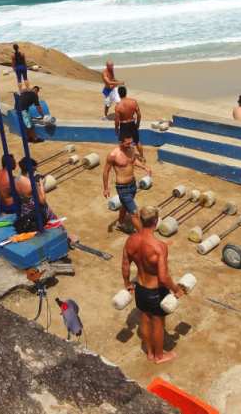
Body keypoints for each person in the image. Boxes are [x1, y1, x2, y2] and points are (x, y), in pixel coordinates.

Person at [121, 205, 183, 364]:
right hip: (155, 291)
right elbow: (163, 277)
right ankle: (159, 356)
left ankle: (149, 352)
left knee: (145, 318)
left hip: (140, 288)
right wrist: (176, 289)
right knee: (157, 322)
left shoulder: (131, 240)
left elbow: (125, 265)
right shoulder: (159, 247)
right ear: (156, 221)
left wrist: (127, 283)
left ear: (141, 220)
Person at [103, 127, 152, 232]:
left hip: (133, 185)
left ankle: (120, 223)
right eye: (127, 143)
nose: (130, 145)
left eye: (131, 143)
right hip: (123, 188)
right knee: (134, 213)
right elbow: (106, 171)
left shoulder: (131, 149)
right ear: (120, 142)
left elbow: (133, 161)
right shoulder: (113, 155)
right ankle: (143, 236)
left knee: (125, 206)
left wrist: (144, 167)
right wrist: (106, 188)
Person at [114, 86, 145, 162]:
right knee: (137, 141)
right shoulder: (133, 102)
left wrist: (116, 129)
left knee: (122, 142)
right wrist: (137, 123)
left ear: (118, 94)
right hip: (132, 123)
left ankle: (124, 158)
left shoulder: (118, 106)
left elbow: (117, 120)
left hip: (124, 125)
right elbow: (139, 115)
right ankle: (142, 157)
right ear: (126, 93)